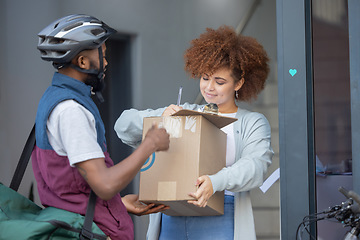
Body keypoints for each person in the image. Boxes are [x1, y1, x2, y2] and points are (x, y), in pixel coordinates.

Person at [114, 25, 274, 240]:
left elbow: (256, 167)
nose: (209, 87)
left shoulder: (251, 122)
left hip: (221, 217)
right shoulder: (183, 113)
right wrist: (161, 119)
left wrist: (215, 181)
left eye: (220, 82)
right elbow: (122, 125)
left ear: (239, 83)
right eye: (205, 77)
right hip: (171, 214)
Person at [32, 14, 170, 240]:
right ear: (83, 62)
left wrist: (118, 205)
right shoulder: (71, 110)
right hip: (93, 233)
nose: (106, 63)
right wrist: (149, 145)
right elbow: (104, 185)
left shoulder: (53, 98)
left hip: (86, 223)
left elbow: (72, 188)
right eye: (102, 55)